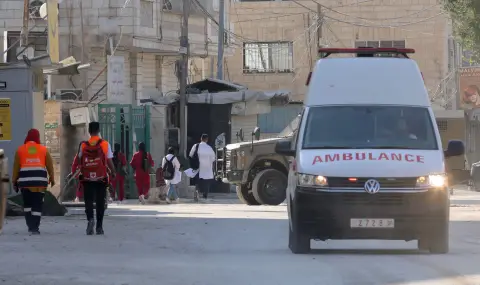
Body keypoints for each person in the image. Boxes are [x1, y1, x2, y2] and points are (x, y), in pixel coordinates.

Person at [12, 128, 55, 235]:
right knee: (37, 205)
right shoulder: (43, 149)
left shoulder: (20, 150)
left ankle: (30, 225)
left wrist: (14, 181)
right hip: (39, 183)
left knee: (27, 205)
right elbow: (50, 166)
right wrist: (52, 179)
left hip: (25, 183)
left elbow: (16, 167)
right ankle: (35, 227)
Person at [77, 122, 116, 235]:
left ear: (89, 131)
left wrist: (83, 168)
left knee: (88, 201)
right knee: (100, 201)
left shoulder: (83, 145)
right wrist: (113, 172)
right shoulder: (104, 144)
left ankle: (90, 219)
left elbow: (79, 159)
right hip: (101, 177)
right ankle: (99, 227)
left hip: (87, 177)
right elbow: (109, 160)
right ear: (99, 130)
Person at [189, 134, 216, 201]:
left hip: (198, 167)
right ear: (207, 140)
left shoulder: (196, 146)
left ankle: (196, 193)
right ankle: (205, 195)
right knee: (206, 182)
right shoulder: (209, 148)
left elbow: (190, 155)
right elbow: (213, 159)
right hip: (207, 168)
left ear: (201, 139)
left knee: (197, 182)